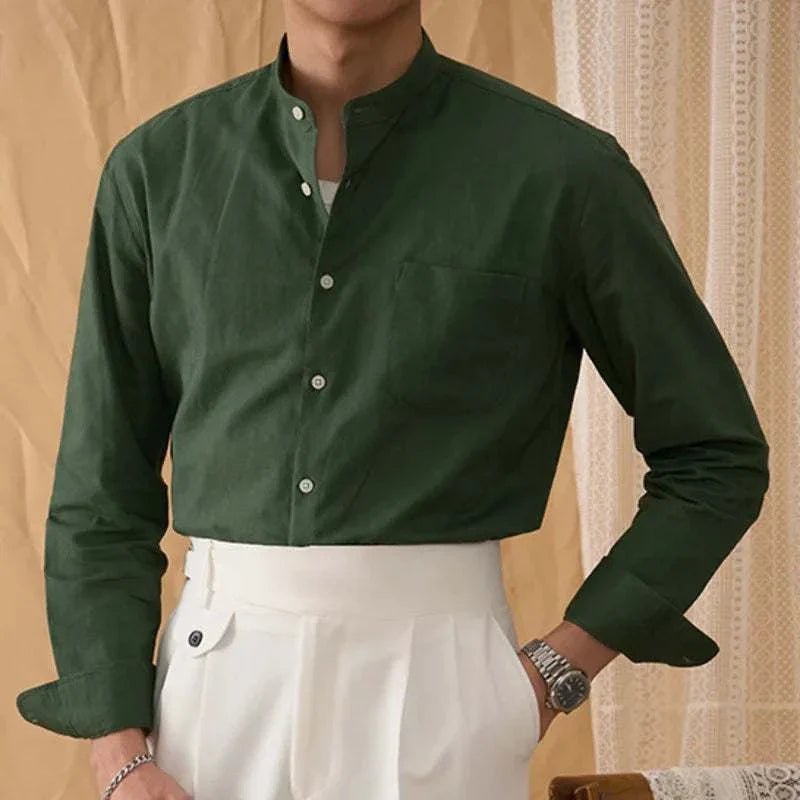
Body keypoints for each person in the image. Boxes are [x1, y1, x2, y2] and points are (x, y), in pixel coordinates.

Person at [16, 0, 770, 798]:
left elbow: (714, 455)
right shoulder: (158, 170)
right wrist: (119, 751)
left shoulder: (562, 172)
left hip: (446, 688)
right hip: (215, 690)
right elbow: (103, 488)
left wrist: (557, 671)